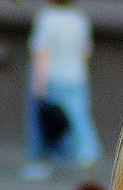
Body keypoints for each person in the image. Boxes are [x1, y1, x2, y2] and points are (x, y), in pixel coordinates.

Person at [24, 0, 102, 180]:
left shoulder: (46, 18)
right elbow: (85, 52)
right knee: (80, 118)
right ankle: (87, 154)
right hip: (76, 77)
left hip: (52, 78)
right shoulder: (79, 19)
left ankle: (39, 161)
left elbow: (41, 52)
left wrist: (38, 84)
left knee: (41, 122)